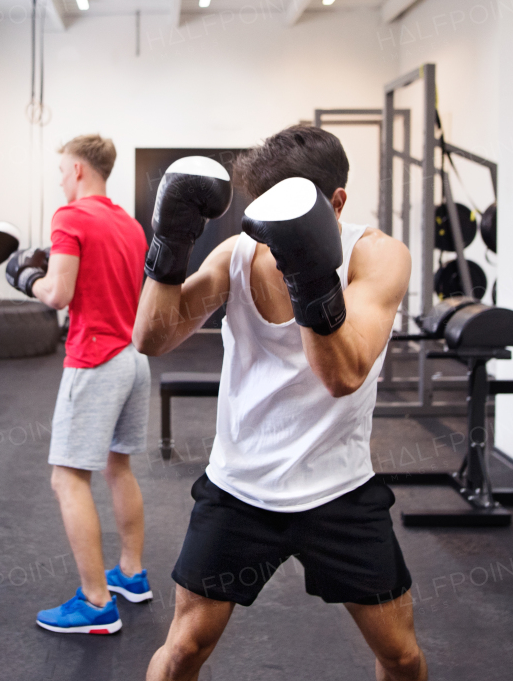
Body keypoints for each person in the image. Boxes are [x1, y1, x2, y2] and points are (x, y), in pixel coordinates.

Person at [135, 125, 428, 681]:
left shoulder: (379, 257)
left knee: (401, 655)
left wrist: (309, 268)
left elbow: (342, 375)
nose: (273, 241)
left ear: (337, 202)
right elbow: (153, 338)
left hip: (338, 490)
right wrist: (169, 249)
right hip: (239, 487)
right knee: (182, 651)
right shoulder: (238, 254)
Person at [5, 134, 152, 635]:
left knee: (67, 477)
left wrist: (27, 280)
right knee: (119, 467)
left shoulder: (70, 218)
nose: (60, 179)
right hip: (134, 358)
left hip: (95, 359)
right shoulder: (130, 224)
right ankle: (131, 574)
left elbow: (58, 293)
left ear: (79, 170)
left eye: (62, 170)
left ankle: (95, 603)